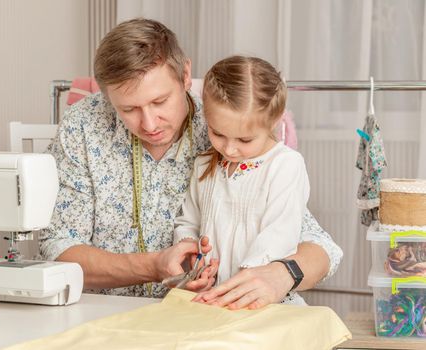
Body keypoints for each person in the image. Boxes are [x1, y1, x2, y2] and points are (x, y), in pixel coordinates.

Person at [39, 18, 343, 308]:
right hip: (102, 312)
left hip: (198, 315)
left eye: (160, 102)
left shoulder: (222, 129)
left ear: (186, 76)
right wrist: (155, 266)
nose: (149, 123)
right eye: (128, 108)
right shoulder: (83, 125)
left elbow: (320, 247)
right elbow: (58, 250)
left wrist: (280, 275)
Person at [174, 56, 309, 307]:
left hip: (264, 299)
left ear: (276, 118)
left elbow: (281, 233)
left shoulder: (285, 165)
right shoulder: (204, 166)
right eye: (217, 133)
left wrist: (241, 282)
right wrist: (192, 254)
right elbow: (188, 220)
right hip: (213, 299)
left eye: (245, 140)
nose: (230, 149)